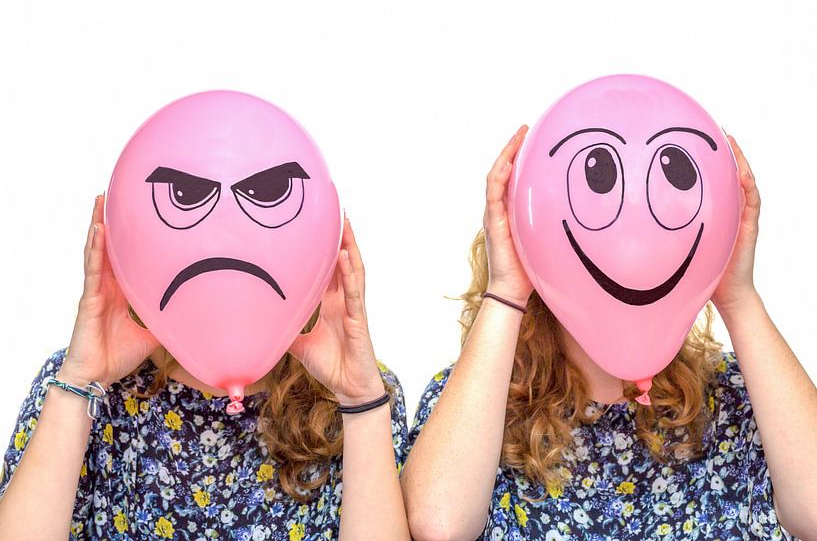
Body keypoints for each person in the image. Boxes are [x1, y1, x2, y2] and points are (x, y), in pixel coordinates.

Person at [400, 125, 817, 540]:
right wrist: (506, 287)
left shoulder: (737, 399)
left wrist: (737, 295)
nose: (632, 244)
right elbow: (439, 526)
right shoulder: (478, 407)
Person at [0, 194, 411, 541]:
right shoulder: (84, 386)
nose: (224, 249)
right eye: (191, 203)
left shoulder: (361, 394)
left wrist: (360, 402)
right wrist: (79, 381)